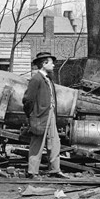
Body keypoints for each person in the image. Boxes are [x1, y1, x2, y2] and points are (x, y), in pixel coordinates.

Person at [22, 51, 68, 180]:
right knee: (37, 143)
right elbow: (28, 100)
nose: (53, 66)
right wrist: (31, 115)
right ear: (44, 63)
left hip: (50, 115)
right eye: (51, 63)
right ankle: (32, 172)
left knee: (54, 143)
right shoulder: (36, 79)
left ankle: (55, 170)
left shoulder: (48, 79)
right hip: (40, 116)